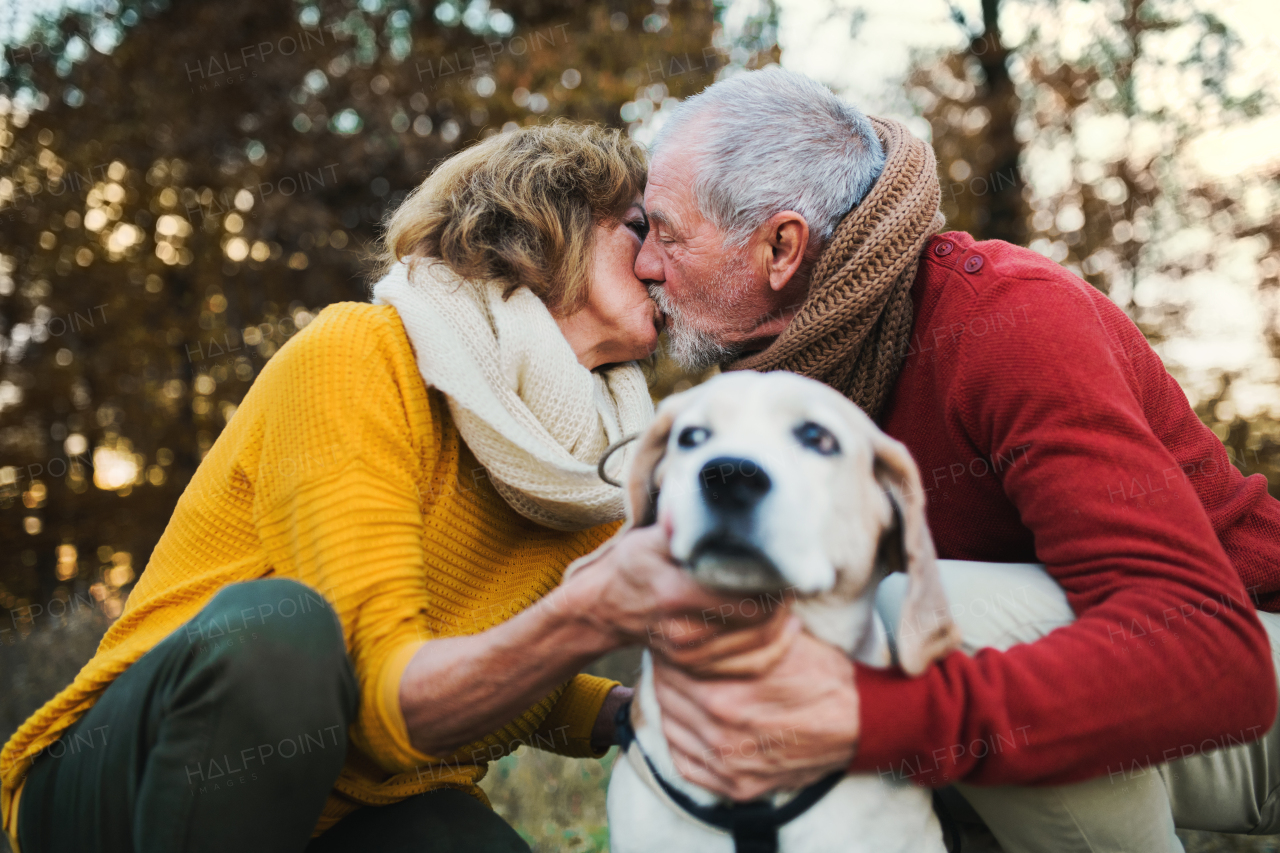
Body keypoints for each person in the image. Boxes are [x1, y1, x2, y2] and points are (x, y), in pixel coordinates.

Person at [0, 122, 790, 853]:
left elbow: (484, 656)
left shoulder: (596, 458)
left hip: (345, 807)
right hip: (129, 777)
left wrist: (617, 710)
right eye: (641, 228)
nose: (663, 264)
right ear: (549, 221)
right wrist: (590, 614)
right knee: (281, 634)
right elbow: (383, 697)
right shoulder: (360, 354)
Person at [626, 66, 1280, 852]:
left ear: (780, 246)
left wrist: (874, 721)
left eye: (666, 232)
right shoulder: (787, 390)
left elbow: (1210, 655)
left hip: (1243, 672)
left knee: (923, 614)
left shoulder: (1010, 321)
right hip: (1110, 696)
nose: (645, 265)